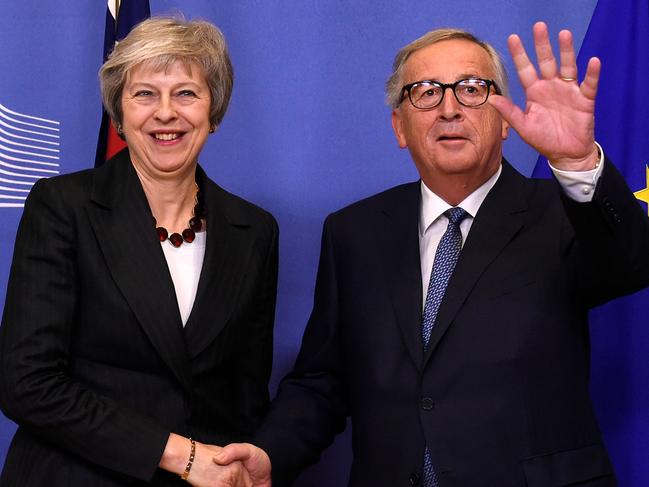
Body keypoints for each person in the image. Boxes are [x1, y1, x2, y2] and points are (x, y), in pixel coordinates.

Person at [216, 22, 649, 486]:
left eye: (471, 89)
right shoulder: (353, 233)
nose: (449, 109)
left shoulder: (563, 214)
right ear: (399, 126)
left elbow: (632, 262)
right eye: (425, 92)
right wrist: (270, 453)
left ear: (505, 119)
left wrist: (578, 165)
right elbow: (324, 381)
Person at [0, 16, 278, 487]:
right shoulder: (63, 207)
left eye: (186, 93)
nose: (165, 113)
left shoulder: (253, 230)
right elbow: (27, 384)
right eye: (145, 93)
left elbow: (244, 398)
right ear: (119, 114)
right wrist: (183, 456)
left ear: (214, 111)